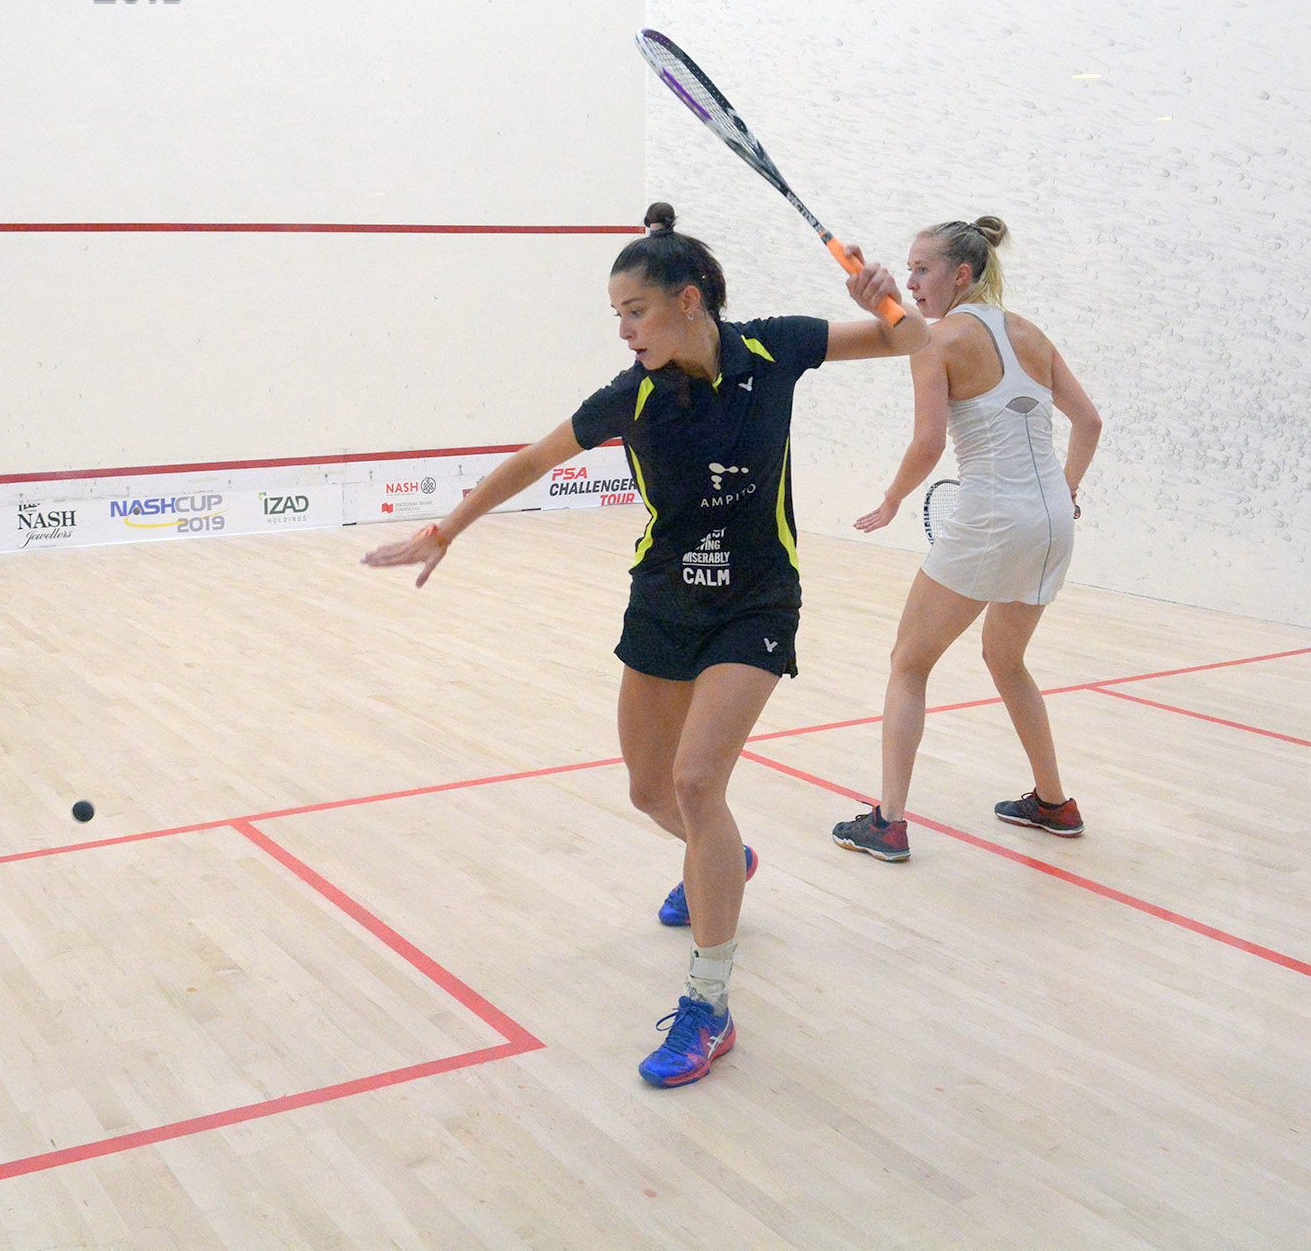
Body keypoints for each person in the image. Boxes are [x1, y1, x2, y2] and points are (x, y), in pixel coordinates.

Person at [364, 202, 928, 1086]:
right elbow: (532, 462)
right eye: (617, 315)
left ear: (689, 300)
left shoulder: (775, 347)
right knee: (650, 791)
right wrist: (446, 530)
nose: (624, 330)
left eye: (636, 311)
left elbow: (911, 342)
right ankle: (724, 859)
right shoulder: (629, 396)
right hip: (664, 603)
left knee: (698, 782)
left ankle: (709, 1003)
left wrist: (883, 295)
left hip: (757, 601)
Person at [832, 217, 1102, 863]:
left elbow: (928, 444)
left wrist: (893, 498)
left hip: (990, 520)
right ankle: (1054, 802)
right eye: (908, 269)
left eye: (922, 269)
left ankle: (888, 823)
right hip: (1051, 523)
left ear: (961, 275)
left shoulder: (936, 340)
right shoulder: (1030, 333)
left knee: (908, 663)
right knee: (1006, 660)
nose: (912, 282)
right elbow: (1089, 422)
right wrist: (1065, 491)